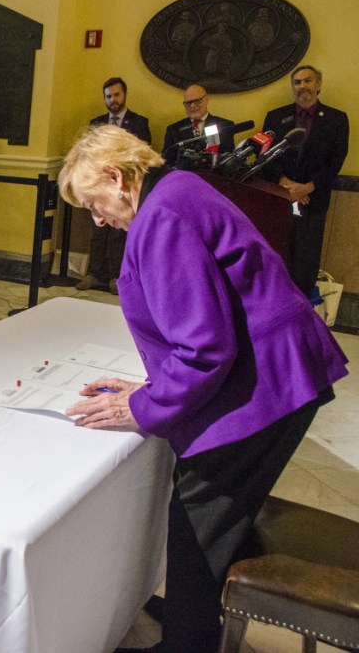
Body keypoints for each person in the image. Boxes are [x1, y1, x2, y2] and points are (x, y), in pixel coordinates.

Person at [57, 125, 348, 653]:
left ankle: (187, 642)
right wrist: (152, 383)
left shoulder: (162, 215)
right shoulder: (176, 189)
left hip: (262, 388)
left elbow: (206, 348)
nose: (97, 218)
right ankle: (194, 613)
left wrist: (143, 406)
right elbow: (213, 317)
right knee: (216, 517)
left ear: (118, 179)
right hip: (276, 372)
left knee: (194, 523)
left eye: (93, 203)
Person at [262, 65, 349, 298]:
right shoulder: (276, 117)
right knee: (277, 253)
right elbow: (266, 155)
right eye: (297, 83)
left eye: (307, 81)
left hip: (313, 200)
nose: (302, 87)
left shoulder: (336, 120)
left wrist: (306, 188)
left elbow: (335, 161)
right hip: (280, 197)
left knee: (305, 260)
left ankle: (301, 307)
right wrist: (284, 183)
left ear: (318, 84)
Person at [79, 77, 152, 295]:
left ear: (125, 95)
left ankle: (115, 277)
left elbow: (142, 155)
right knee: (98, 231)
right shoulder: (97, 123)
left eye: (116, 95)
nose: (113, 100)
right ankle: (93, 274)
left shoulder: (139, 122)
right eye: (108, 96)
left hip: (125, 187)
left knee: (119, 233)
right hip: (100, 186)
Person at [161, 84, 234, 161]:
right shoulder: (173, 130)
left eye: (197, 101)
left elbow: (228, 158)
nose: (192, 106)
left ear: (206, 100)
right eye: (188, 103)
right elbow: (166, 161)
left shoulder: (225, 126)